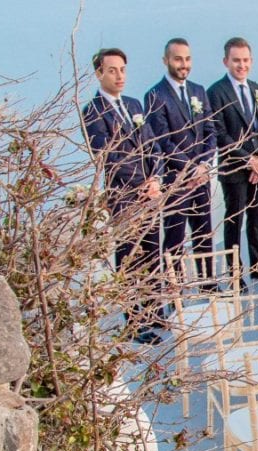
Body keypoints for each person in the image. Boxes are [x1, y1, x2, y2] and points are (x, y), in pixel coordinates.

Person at [82, 47, 164, 345]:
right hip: (124, 198)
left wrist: (155, 178)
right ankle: (133, 321)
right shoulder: (92, 111)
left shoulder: (134, 104)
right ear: (99, 73)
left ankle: (154, 311)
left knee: (153, 253)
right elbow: (108, 155)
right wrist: (140, 183)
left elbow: (153, 145)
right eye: (112, 70)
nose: (119, 76)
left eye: (123, 70)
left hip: (150, 194)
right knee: (129, 259)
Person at [208, 37, 258, 281]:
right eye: (236, 60)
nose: (241, 65)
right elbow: (220, 134)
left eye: (245, 60)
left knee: (257, 219)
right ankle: (234, 271)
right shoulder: (216, 92)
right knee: (234, 220)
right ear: (226, 61)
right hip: (234, 169)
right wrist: (249, 160)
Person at [145, 37, 216, 281]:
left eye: (187, 59)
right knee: (175, 237)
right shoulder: (155, 95)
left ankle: (207, 284)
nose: (183, 64)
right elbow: (163, 141)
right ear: (166, 60)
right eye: (178, 59)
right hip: (176, 181)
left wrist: (205, 164)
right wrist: (190, 168)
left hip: (202, 179)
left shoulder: (198, 91)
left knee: (204, 233)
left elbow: (210, 132)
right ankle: (178, 288)